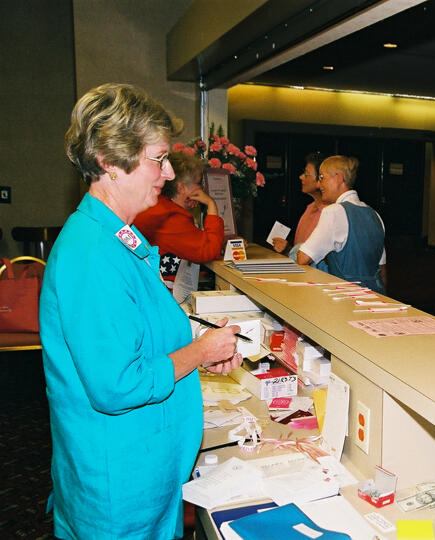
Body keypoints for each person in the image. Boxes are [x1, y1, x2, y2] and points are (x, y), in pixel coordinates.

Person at [40, 83, 244, 539]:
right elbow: (117, 384)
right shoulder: (91, 255)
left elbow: (139, 326)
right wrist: (199, 352)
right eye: (158, 159)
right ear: (111, 162)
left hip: (147, 470)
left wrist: (200, 345)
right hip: (119, 488)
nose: (169, 173)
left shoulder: (118, 236)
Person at [133, 149, 225, 288]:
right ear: (181, 188)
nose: (202, 189)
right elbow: (208, 251)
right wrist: (211, 205)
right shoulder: (171, 217)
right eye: (198, 183)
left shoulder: (159, 206)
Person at [296, 155, 387, 293]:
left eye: (322, 178)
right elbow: (382, 270)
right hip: (375, 296)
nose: (319, 185)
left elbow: (303, 257)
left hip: (345, 297)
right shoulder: (374, 215)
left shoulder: (334, 212)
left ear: (338, 178)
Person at [271, 151, 329, 271]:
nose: (301, 177)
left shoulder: (330, 214)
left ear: (320, 180)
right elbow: (301, 253)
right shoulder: (309, 208)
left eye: (306, 174)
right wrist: (288, 249)